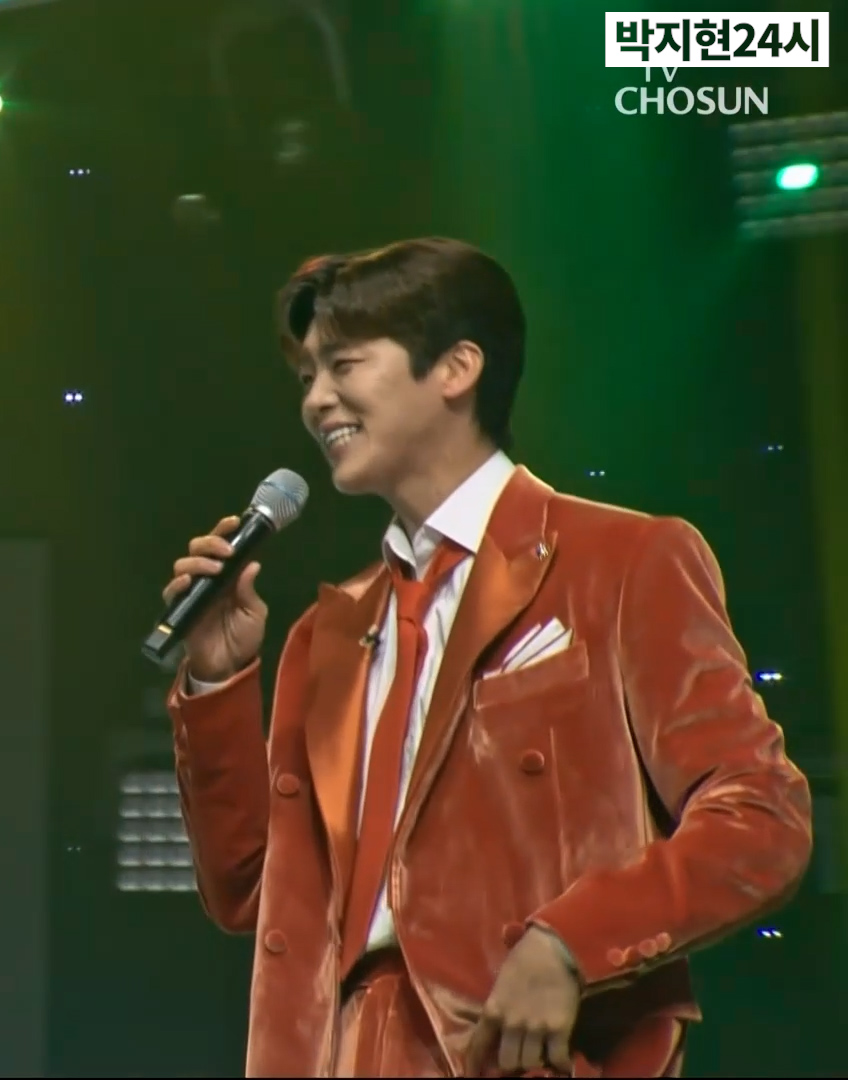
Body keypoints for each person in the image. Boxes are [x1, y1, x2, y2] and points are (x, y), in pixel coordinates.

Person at [162, 237, 812, 1077]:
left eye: (344, 365)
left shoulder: (621, 562)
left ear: (457, 367)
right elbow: (252, 891)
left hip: (516, 1049)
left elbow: (761, 816)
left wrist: (572, 941)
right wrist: (217, 679)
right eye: (307, 377)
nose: (317, 400)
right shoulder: (326, 634)